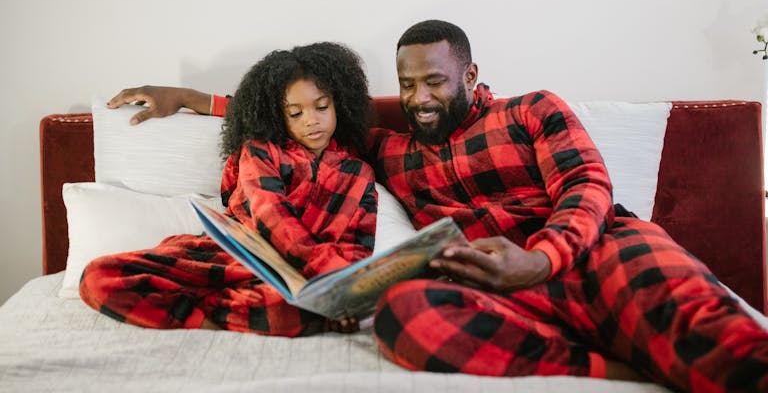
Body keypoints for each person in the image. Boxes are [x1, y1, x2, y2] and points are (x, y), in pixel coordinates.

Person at [107, 21, 768, 392]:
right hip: (499, 292)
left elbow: (587, 189)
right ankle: (614, 367)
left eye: (434, 82)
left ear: (471, 77)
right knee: (404, 315)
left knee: (718, 339)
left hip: (595, 253)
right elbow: (300, 109)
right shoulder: (388, 150)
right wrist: (194, 100)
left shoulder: (533, 109)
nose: (419, 97)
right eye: (406, 85)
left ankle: (653, 343)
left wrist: (541, 259)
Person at [80, 42, 377, 336]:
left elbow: (357, 247)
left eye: (322, 106)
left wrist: (350, 295)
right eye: (295, 113)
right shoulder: (261, 150)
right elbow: (270, 216)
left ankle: (208, 313)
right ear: (277, 115)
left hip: (291, 282)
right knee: (99, 276)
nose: (312, 120)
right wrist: (335, 279)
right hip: (227, 260)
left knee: (286, 309)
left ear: (340, 102)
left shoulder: (358, 173)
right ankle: (221, 319)